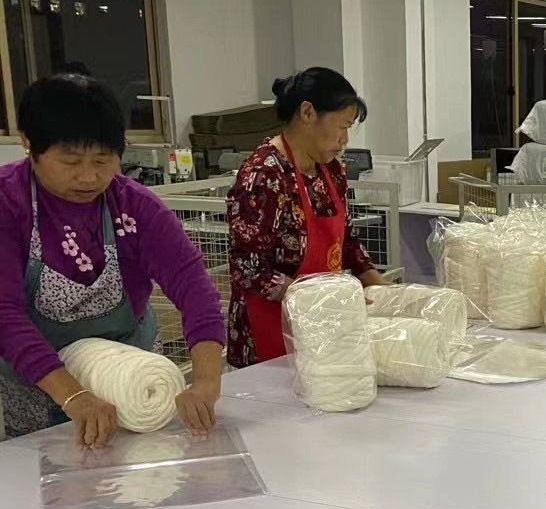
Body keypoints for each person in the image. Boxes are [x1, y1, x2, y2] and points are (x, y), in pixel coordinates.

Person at [0, 74, 224, 446]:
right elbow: (5, 315)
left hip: (128, 380)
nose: (89, 177)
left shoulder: (134, 206)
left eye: (103, 160)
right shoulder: (9, 204)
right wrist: (73, 394)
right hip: (37, 380)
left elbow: (195, 290)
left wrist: (205, 382)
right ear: (28, 143)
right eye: (71, 161)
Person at [226, 67, 388, 367]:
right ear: (308, 112)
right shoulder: (264, 174)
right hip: (270, 331)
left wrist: (381, 288)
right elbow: (247, 267)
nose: (345, 139)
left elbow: (347, 240)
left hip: (321, 326)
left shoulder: (331, 170)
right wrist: (318, 299)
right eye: (342, 126)